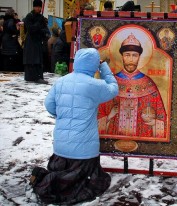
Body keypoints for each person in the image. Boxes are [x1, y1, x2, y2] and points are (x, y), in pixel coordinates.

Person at [29, 48, 119, 204]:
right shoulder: (93, 85)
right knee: (87, 182)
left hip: (60, 147)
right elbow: (113, 89)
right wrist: (104, 67)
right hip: (84, 151)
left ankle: (54, 181)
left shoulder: (61, 81)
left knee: (64, 173)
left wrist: (63, 115)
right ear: (94, 65)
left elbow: (49, 104)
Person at [98, 33, 167, 138]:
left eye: (134, 55)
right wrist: (109, 116)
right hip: (116, 133)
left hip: (142, 133)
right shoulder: (112, 82)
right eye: (127, 55)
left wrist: (155, 123)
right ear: (122, 56)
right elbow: (99, 113)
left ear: (139, 57)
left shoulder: (148, 83)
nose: (131, 59)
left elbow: (161, 116)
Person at [23, 0, 49, 84]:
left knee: (38, 59)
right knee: (32, 59)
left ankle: (38, 77)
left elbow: (46, 30)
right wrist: (38, 25)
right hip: (30, 42)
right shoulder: (29, 16)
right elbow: (30, 29)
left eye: (40, 7)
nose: (39, 9)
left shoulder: (41, 17)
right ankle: (31, 77)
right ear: (34, 7)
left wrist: (40, 30)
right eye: (38, 7)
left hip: (38, 41)